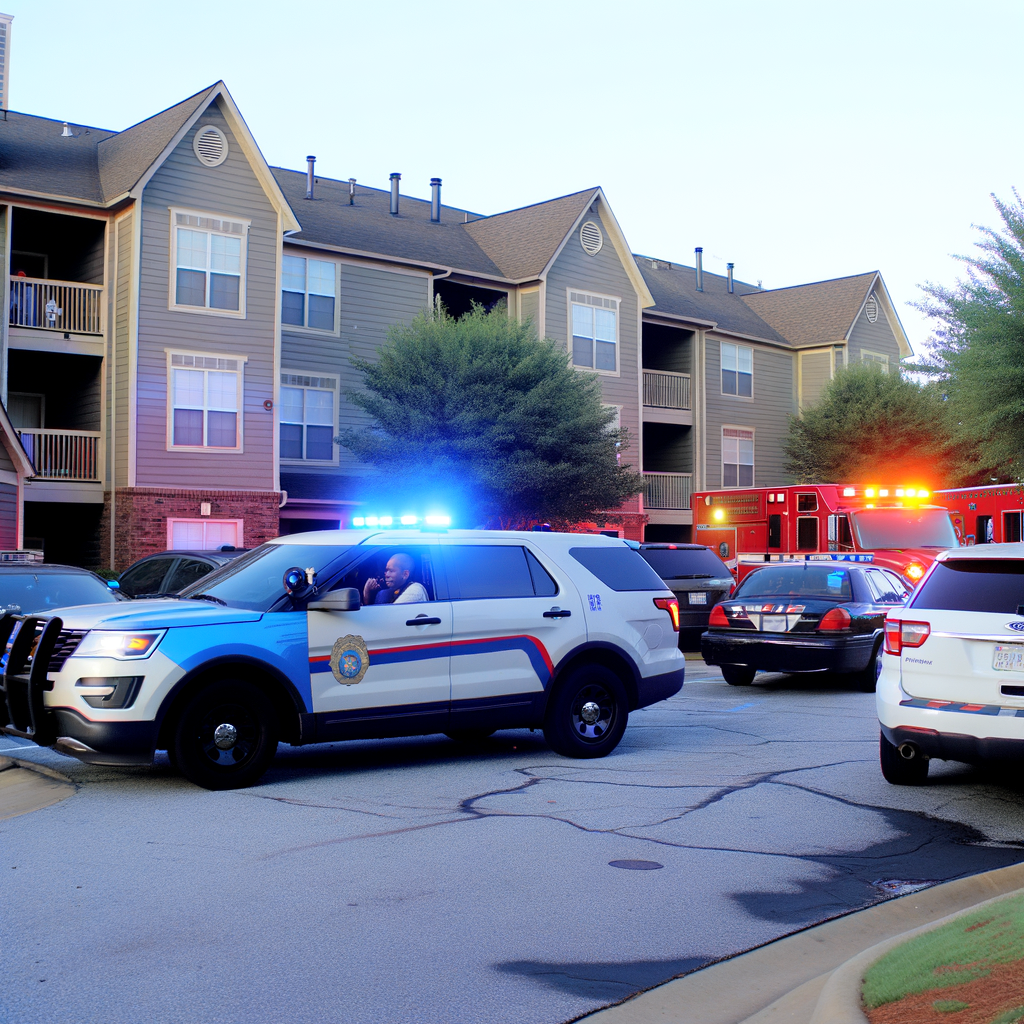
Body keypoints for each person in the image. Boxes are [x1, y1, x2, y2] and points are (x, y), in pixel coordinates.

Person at [363, 553, 428, 605]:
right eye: (386, 570)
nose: (386, 575)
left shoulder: (415, 590)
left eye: (391, 571)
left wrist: (366, 592)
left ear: (405, 574)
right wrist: (369, 593)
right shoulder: (385, 593)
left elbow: (387, 616)